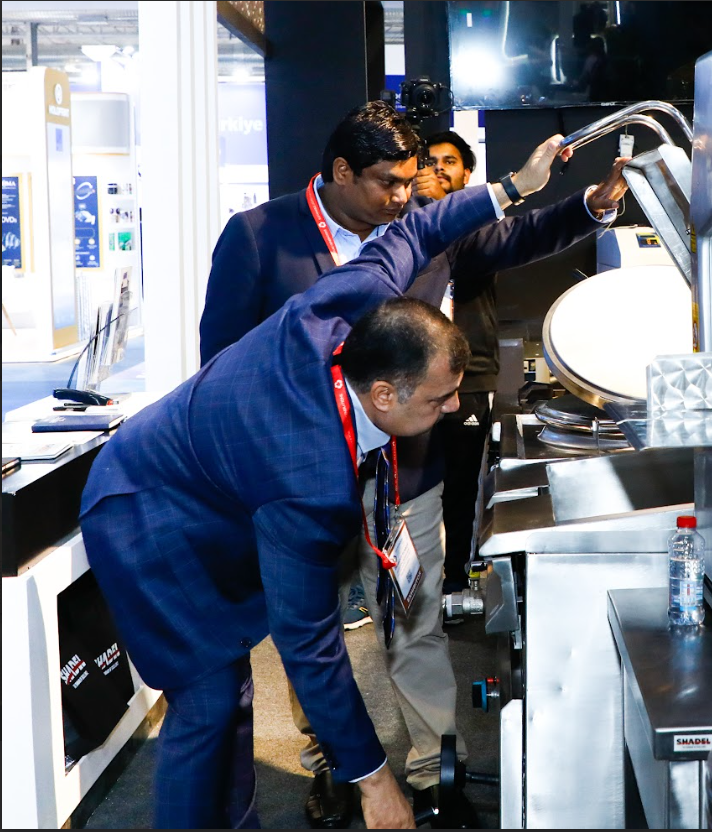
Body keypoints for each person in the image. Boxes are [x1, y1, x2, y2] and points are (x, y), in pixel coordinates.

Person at [80, 158, 554, 828]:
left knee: (233, 690)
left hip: (206, 490)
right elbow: (309, 644)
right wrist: (374, 781)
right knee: (208, 700)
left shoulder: (352, 299)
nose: (452, 409)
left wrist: (509, 187)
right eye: (441, 397)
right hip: (144, 516)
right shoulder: (309, 483)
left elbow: (416, 232)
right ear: (384, 394)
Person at [197, 102, 626, 828]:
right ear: (339, 172)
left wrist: (590, 204)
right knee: (316, 626)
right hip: (301, 480)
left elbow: (512, 238)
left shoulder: (419, 232)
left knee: (415, 617)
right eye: (387, 184)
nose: (405, 197)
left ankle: (433, 771)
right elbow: (221, 362)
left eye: (412, 181)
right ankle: (335, 764)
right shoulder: (259, 237)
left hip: (408, 473)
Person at [409, 130, 520, 592]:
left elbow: (480, 250)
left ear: (466, 172)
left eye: (448, 162)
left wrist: (441, 209)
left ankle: (457, 581)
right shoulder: (405, 225)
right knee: (408, 488)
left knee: (461, 488)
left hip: (471, 375)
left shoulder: (480, 223)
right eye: (429, 162)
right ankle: (405, 584)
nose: (438, 170)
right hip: (410, 379)